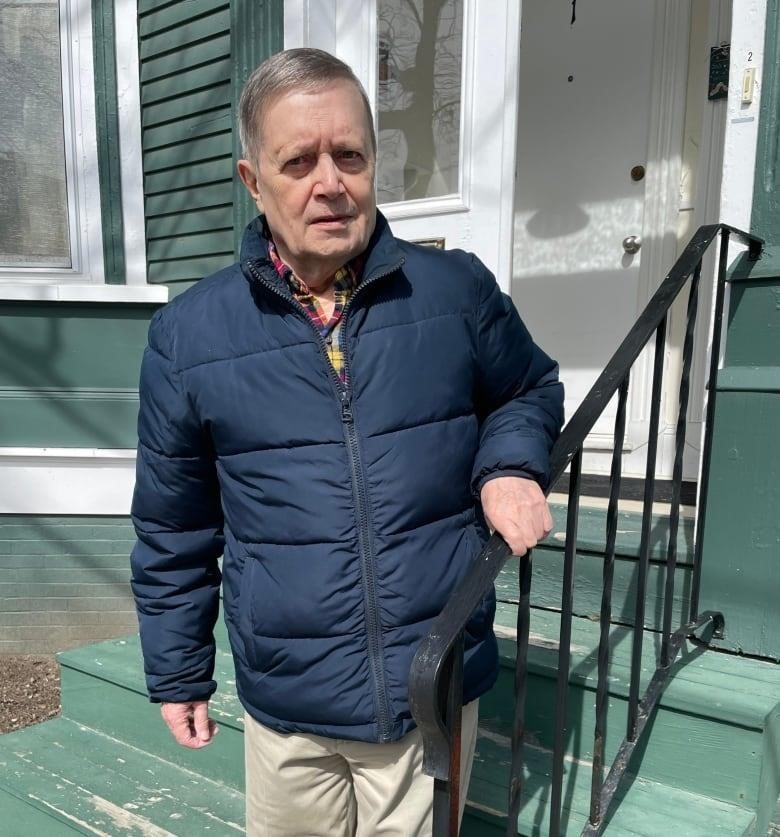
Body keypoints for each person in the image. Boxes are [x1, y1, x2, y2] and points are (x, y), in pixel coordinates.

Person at [130, 47, 564, 837]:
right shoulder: (188, 336)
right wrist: (179, 670)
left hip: (428, 682)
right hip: (288, 701)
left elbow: (525, 389)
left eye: (350, 155)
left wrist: (509, 465)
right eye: (298, 160)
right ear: (252, 181)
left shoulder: (453, 292)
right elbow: (173, 526)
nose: (330, 181)